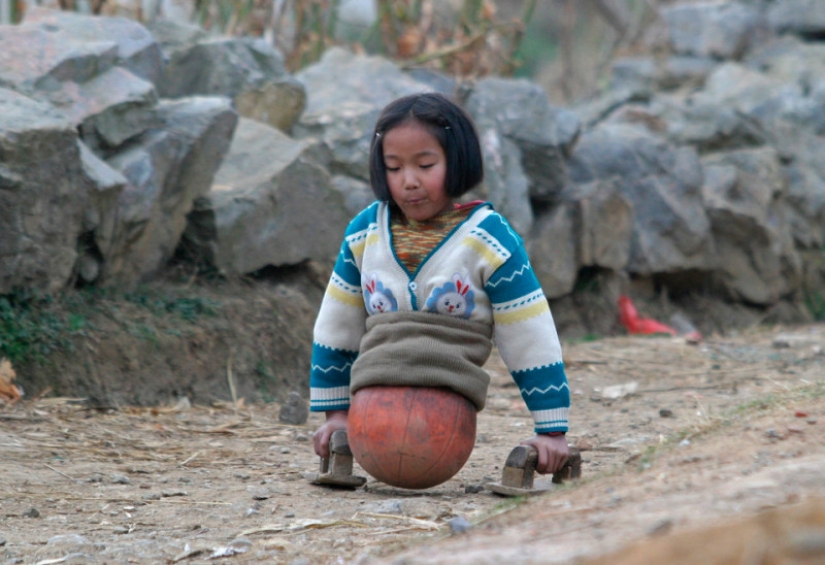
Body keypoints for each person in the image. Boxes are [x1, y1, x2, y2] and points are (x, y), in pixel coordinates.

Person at [309, 92, 570, 475]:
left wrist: (551, 430)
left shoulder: (489, 241)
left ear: (458, 159)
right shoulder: (364, 233)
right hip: (371, 408)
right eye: (393, 167)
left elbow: (529, 332)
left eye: (425, 164)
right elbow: (336, 325)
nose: (408, 182)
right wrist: (335, 415)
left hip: (446, 418)